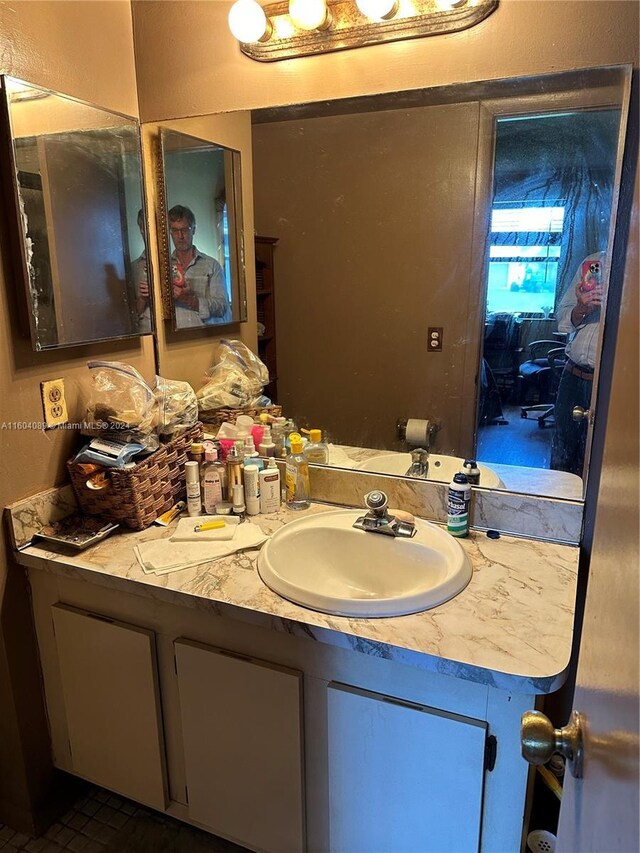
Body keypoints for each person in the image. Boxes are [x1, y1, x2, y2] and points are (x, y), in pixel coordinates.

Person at [551, 250, 605, 476]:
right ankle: (556, 506)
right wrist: (582, 308)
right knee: (562, 451)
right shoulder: (594, 262)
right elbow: (562, 319)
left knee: (601, 458)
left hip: (611, 382)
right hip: (572, 376)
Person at [168, 204, 231, 328]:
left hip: (203, 339)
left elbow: (222, 306)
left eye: (185, 230)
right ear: (170, 233)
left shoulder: (212, 265)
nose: (180, 236)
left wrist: (191, 300)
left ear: (194, 230)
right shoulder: (164, 268)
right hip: (173, 341)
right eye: (175, 230)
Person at [132, 209, 152, 333]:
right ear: (140, 230)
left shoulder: (177, 265)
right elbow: (130, 315)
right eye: (145, 227)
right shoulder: (133, 269)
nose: (150, 232)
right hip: (146, 338)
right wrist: (142, 299)